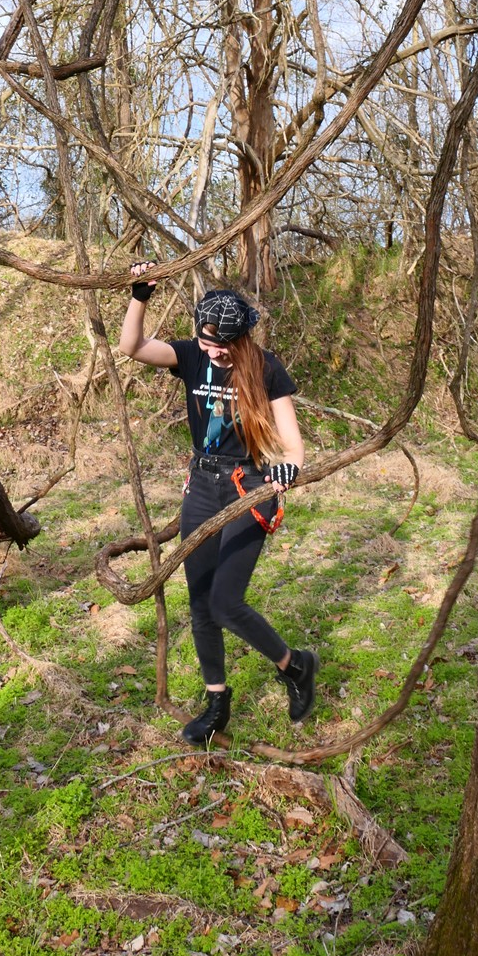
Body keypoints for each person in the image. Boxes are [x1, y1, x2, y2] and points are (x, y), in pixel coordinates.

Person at [118, 267, 318, 744]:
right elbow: (132, 346)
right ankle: (216, 704)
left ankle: (295, 666)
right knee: (200, 601)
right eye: (208, 342)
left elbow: (294, 446)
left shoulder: (266, 368)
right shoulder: (190, 356)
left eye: (223, 345)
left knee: (226, 602)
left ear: (241, 338)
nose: (214, 352)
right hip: (202, 486)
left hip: (248, 486)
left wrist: (286, 471)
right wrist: (140, 296)